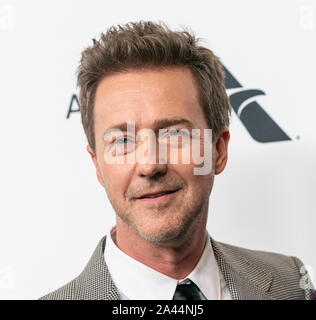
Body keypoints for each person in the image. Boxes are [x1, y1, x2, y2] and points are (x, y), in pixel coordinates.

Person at [40, 21, 314, 300]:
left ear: (218, 150)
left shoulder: (292, 283)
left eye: (174, 134)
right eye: (122, 140)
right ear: (97, 164)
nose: (150, 165)